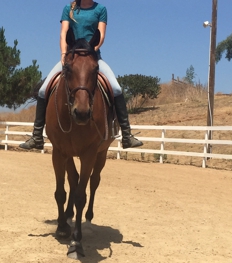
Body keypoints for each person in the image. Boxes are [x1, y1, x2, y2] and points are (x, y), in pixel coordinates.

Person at [19, 0, 143, 150]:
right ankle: (37, 136)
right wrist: (64, 54)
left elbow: (101, 35)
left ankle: (127, 135)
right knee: (43, 90)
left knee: (116, 88)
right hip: (71, 58)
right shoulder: (68, 9)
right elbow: (64, 32)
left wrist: (90, 52)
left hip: (93, 56)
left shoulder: (101, 9)